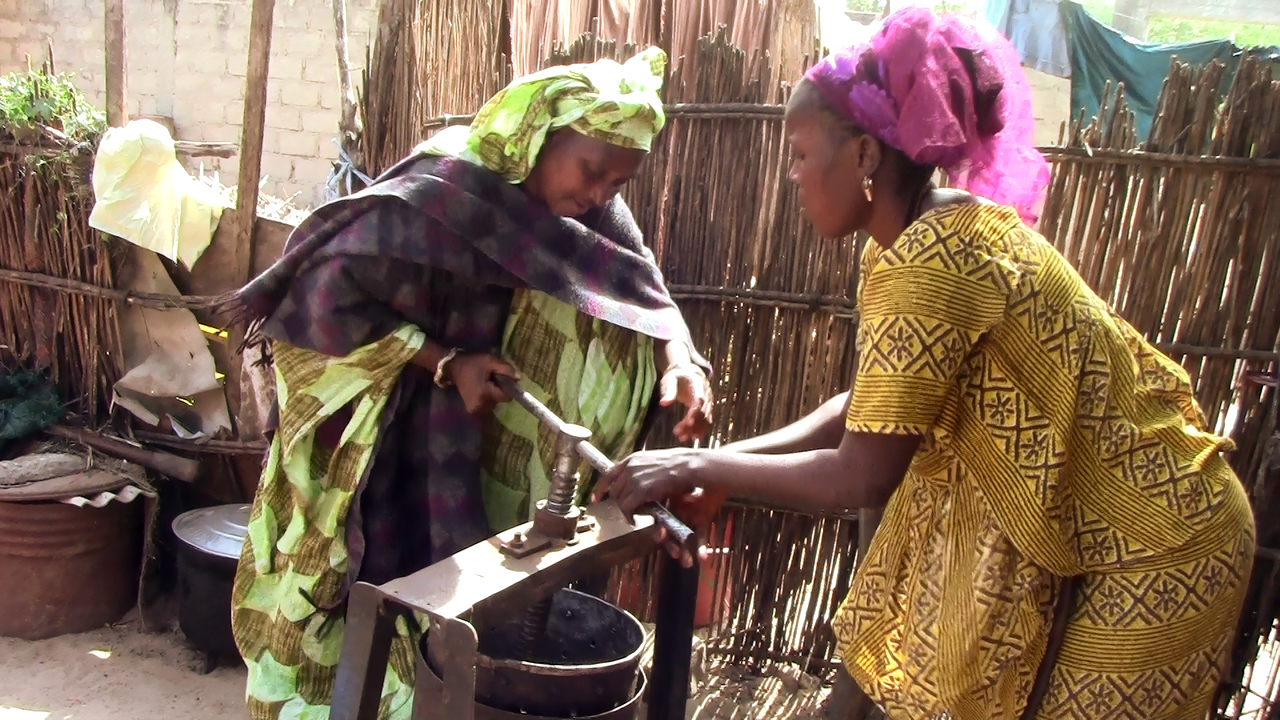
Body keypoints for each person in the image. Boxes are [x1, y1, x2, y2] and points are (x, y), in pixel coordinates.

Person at [595, 10, 1255, 720]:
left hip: (1162, 541)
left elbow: (863, 471)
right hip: (1129, 528)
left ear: (866, 157)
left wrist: (698, 467)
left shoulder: (933, 259)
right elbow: (868, 405)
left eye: (799, 152)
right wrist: (724, 462)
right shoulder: (917, 239)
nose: (792, 175)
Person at [227, 48, 713, 720]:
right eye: (592, 172)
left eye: (618, 183)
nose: (601, 194)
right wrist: (438, 359)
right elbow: (318, 296)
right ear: (538, 136)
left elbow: (644, 290)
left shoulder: (589, 209)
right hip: (391, 424)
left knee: (460, 598)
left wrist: (680, 364)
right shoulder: (446, 186)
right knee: (360, 577)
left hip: (470, 440)